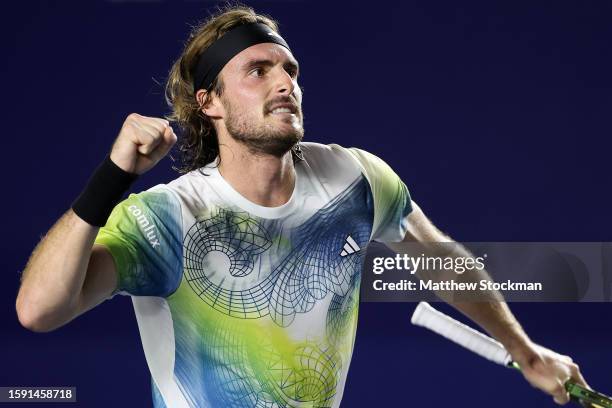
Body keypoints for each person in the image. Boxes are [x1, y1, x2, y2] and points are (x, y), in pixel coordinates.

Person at [16, 5, 591, 408]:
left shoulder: (356, 178)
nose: (284, 82)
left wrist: (526, 351)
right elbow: (39, 310)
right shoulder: (165, 217)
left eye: (289, 69)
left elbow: (442, 261)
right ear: (208, 102)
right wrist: (113, 177)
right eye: (257, 71)